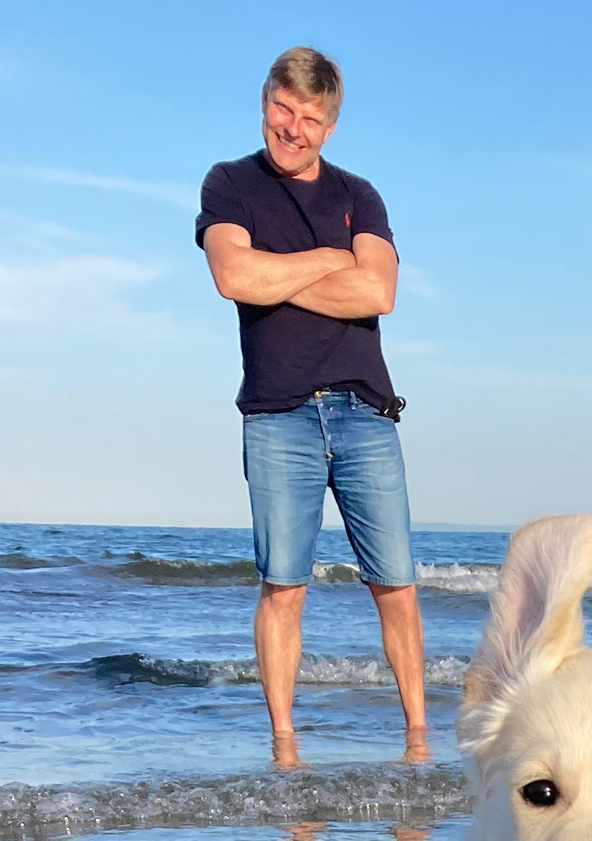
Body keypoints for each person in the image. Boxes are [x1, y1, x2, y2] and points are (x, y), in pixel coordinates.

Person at [196, 45, 427, 764]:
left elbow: (378, 292)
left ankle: (419, 738)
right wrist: (333, 261)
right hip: (277, 413)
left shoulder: (360, 194)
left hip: (365, 411)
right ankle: (285, 746)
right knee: (283, 585)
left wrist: (278, 275)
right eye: (283, 109)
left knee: (396, 585)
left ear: (331, 126)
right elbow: (233, 274)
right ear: (265, 100)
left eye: (311, 117)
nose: (293, 128)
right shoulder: (230, 184)